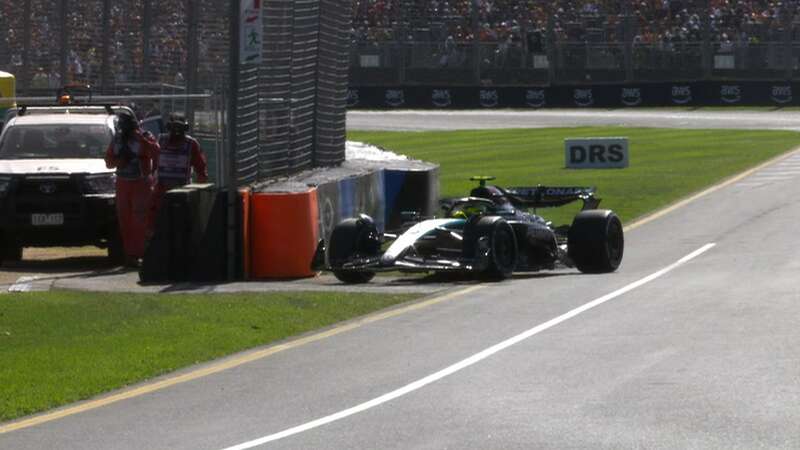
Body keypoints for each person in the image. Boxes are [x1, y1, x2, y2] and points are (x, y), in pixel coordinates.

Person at [104, 109, 158, 267]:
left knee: (140, 219)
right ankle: (130, 254)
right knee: (125, 220)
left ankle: (142, 253)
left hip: (141, 183)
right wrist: (120, 161)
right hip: (122, 183)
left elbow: (156, 152)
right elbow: (108, 161)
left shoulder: (145, 136)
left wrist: (141, 140)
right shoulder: (117, 139)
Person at [147, 113, 208, 236]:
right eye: (174, 127)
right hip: (161, 189)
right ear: (169, 127)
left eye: (179, 128)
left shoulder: (191, 144)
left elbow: (201, 169)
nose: (176, 132)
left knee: (182, 222)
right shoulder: (161, 140)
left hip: (182, 189)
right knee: (155, 221)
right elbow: (152, 162)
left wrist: (199, 192)